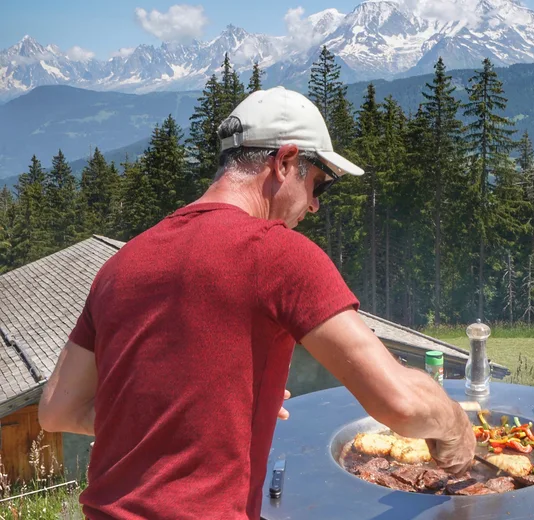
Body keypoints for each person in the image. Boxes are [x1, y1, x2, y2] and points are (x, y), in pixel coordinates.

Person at [38, 86, 475, 520]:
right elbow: (400, 405)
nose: (316, 206)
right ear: (285, 162)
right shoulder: (278, 254)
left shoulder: (121, 265)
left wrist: (212, 415)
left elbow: (58, 410)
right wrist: (455, 426)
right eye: (317, 183)